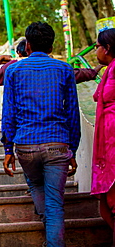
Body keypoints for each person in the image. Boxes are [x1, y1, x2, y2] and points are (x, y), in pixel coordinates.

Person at [2, 22, 80, 247]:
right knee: (55, 203)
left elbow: (9, 112)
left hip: (25, 144)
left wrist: (8, 149)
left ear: (27, 46)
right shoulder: (64, 69)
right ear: (51, 45)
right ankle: (54, 240)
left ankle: (51, 237)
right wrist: (72, 148)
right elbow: (72, 113)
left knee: (36, 185)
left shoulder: (14, 71)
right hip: (57, 143)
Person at [0, 39, 103, 87]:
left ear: (21, 53)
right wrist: (93, 71)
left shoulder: (12, 67)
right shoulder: (56, 66)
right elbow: (75, 74)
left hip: (25, 128)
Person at [91, 28, 115, 245]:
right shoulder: (109, 70)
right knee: (107, 207)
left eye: (97, 46)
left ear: (107, 48)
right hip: (107, 143)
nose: (95, 50)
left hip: (113, 143)